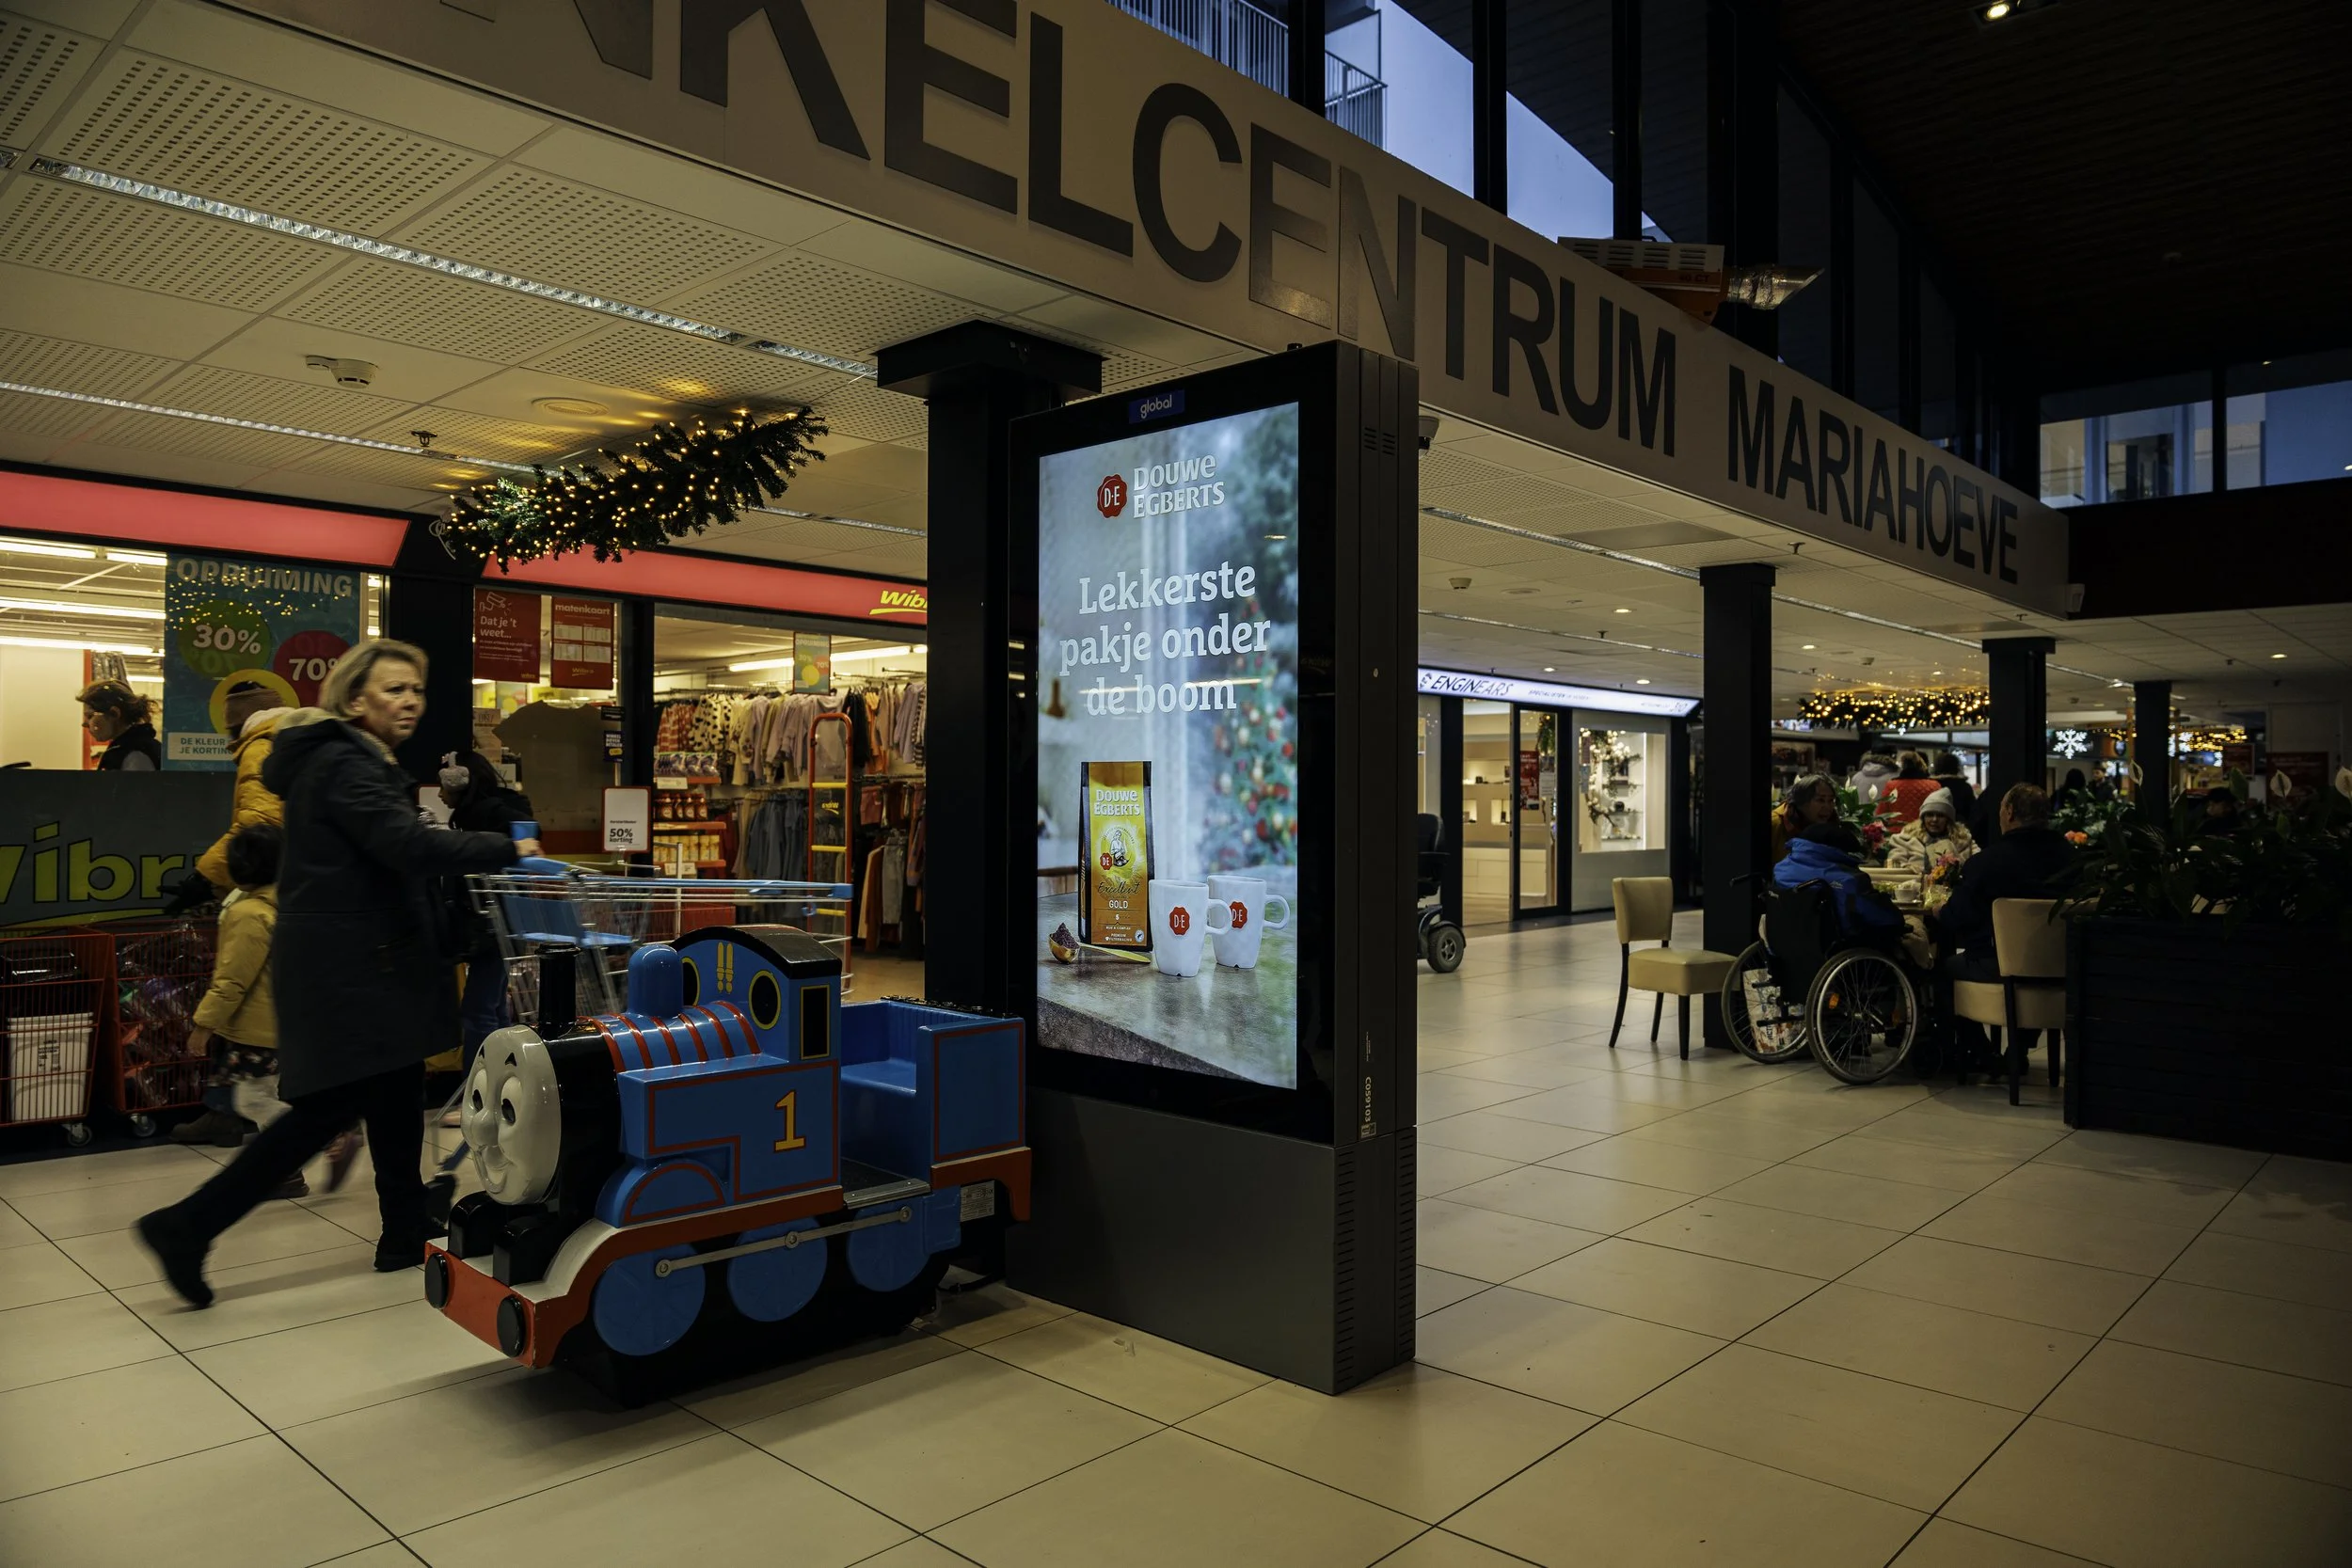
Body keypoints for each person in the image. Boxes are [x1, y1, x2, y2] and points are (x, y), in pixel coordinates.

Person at [136, 640, 540, 1308]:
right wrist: (509, 844)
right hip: (355, 969)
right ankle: (185, 1225)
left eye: (416, 688)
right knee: (326, 1111)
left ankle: (403, 1228)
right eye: (393, 689)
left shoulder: (354, 761)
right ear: (355, 699)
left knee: (394, 1095)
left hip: (369, 963)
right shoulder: (342, 763)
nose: (410, 700)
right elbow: (405, 846)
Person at [169, 682, 298, 1145]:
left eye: (231, 726)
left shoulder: (261, 746)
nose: (228, 736)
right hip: (295, 883)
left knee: (241, 983)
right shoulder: (290, 741)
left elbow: (259, 825)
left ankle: (266, 1130)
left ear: (247, 719)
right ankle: (223, 1111)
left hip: (273, 881)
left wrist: (206, 877)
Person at [437, 750, 535, 1092]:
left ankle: (476, 1091)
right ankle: (503, 1083)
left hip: (494, 921)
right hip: (502, 920)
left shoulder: (484, 814)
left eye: (443, 785)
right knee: (493, 1008)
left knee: (479, 1010)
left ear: (460, 782)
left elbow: (527, 841)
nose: (439, 794)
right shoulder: (492, 810)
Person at [1774, 820, 1903, 937]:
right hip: (1836, 947)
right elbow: (1886, 917)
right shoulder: (1849, 880)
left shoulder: (1780, 869)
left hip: (1786, 945)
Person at [1884, 787, 1978, 906]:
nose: (1934, 820)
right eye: (1929, 814)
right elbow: (1894, 866)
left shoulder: (1963, 840)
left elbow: (1976, 866)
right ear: (1923, 817)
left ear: (1948, 819)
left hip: (1953, 902)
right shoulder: (1906, 838)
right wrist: (1909, 868)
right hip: (1913, 900)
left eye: (1940, 815)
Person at [76, 679, 160, 770]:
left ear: (114, 713)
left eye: (90, 716)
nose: (84, 724)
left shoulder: (134, 754)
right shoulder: (132, 747)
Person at [1770, 774, 1838, 863]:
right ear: (1801, 802)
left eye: (1831, 800)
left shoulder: (1832, 823)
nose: (1828, 807)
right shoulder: (1775, 824)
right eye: (1820, 800)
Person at [1879, 752, 1938, 825]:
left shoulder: (1891, 785)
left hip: (1896, 832)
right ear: (1920, 764)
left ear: (1903, 765)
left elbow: (1881, 814)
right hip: (1922, 832)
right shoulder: (1934, 786)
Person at [1931, 752, 1979, 829]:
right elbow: (1972, 813)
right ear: (1956, 767)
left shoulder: (1932, 786)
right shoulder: (1965, 787)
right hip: (1960, 829)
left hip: (1935, 827)